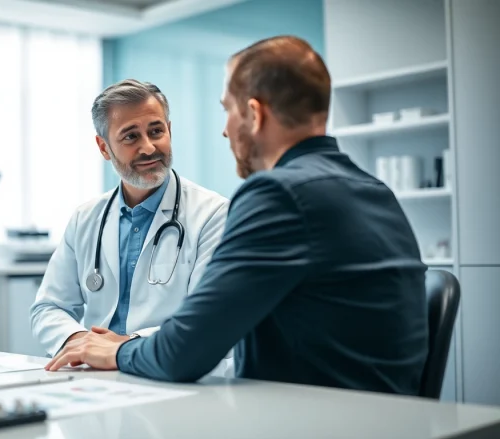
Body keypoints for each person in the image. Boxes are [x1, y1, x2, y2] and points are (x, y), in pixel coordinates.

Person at [44, 36, 429, 396]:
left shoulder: (278, 195)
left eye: (227, 110)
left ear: (254, 115)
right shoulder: (373, 190)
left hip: (316, 418)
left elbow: (184, 350)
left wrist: (115, 351)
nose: (226, 131)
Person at [30, 79, 231, 374]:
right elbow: (49, 307)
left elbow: (209, 321)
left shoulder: (213, 215)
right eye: (130, 137)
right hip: (96, 377)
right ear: (104, 148)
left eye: (156, 131)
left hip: (167, 371)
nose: (148, 147)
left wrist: (123, 349)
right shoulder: (86, 218)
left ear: (169, 131)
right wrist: (81, 342)